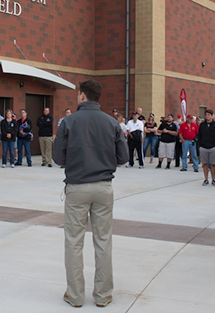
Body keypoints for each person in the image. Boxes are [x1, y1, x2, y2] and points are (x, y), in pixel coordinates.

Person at [52, 80, 129, 308]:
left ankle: (75, 296)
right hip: (103, 186)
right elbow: (123, 157)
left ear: (82, 95)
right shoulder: (111, 122)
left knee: (74, 241)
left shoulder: (68, 122)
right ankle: (103, 294)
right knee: (103, 240)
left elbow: (58, 158)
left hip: (77, 186)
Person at [196, 109, 215, 186]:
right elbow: (199, 135)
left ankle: (213, 179)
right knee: (205, 164)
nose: (207, 116)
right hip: (203, 147)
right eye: (206, 115)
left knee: (213, 164)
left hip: (213, 147)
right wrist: (200, 144)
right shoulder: (202, 125)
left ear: (212, 116)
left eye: (209, 115)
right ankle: (206, 179)